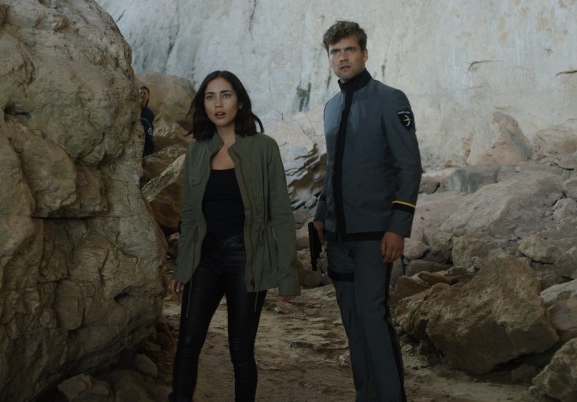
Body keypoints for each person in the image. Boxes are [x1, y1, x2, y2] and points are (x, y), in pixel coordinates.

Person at [168, 70, 300, 402]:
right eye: (210, 97)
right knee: (188, 343)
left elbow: (281, 214)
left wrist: (287, 275)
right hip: (205, 258)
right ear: (203, 105)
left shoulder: (263, 148)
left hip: (247, 257)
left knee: (240, 349)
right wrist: (182, 269)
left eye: (225, 95)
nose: (218, 104)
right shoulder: (197, 151)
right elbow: (189, 217)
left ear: (239, 101)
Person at [312, 21, 422, 401]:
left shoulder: (390, 99)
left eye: (349, 50)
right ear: (329, 58)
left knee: (373, 318)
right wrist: (320, 214)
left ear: (364, 53)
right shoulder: (331, 108)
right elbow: (333, 167)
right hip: (337, 236)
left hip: (375, 235)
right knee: (352, 322)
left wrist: (398, 226)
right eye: (335, 52)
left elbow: (409, 167)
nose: (342, 57)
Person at [139, 85, 155, 167]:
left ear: (148, 96)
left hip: (145, 143)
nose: (142, 95)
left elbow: (150, 132)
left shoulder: (150, 114)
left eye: (144, 93)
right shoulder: (132, 110)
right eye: (140, 93)